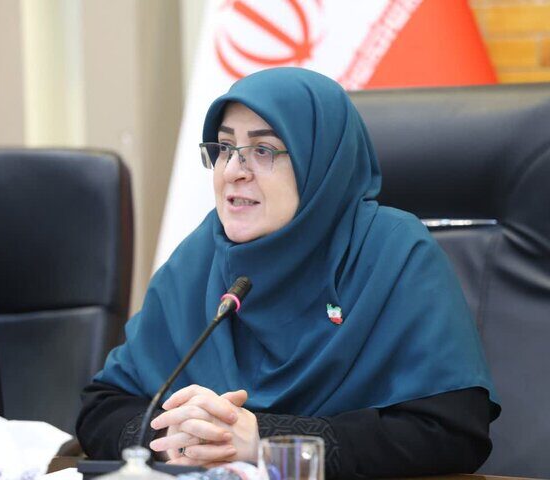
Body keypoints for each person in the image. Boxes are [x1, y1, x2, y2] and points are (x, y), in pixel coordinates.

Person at [76, 68, 500, 479]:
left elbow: (452, 434)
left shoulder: (394, 252)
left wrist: (264, 439)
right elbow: (101, 407)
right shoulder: (201, 256)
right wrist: (171, 437)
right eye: (225, 147)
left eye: (263, 150)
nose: (234, 171)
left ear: (321, 164)